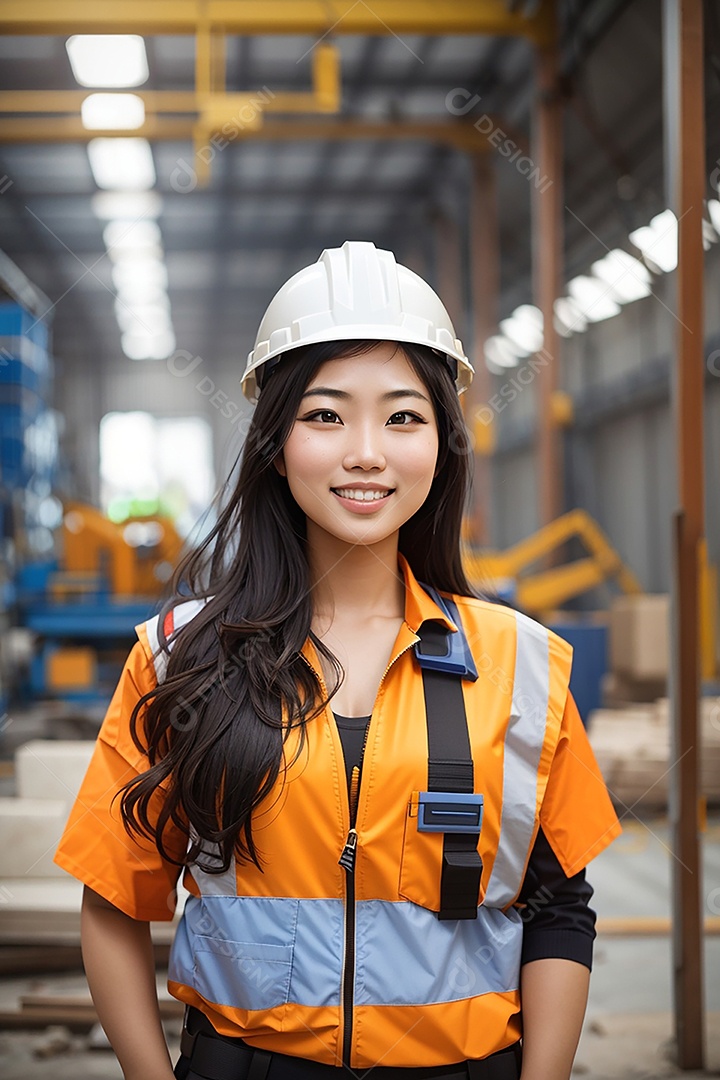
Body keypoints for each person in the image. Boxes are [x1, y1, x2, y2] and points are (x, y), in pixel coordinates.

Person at [55, 240, 621, 1080]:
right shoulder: (180, 658)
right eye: (325, 415)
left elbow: (559, 909)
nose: (367, 451)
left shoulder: (522, 665)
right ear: (276, 444)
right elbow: (114, 902)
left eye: (403, 415)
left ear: (442, 443)